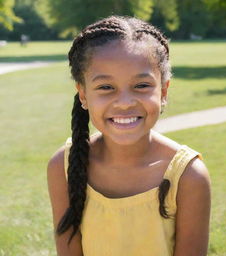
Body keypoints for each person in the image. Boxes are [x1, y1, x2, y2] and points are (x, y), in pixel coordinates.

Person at [47, 15, 211, 256]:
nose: (124, 103)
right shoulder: (63, 166)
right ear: (83, 94)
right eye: (105, 87)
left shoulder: (188, 176)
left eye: (142, 86)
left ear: (163, 91)